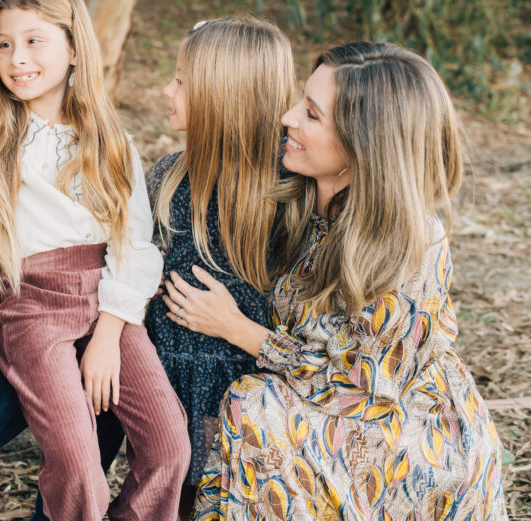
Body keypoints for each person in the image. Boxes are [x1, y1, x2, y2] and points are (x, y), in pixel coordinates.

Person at [162, 43, 508, 520]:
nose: (286, 117)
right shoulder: (301, 195)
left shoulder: (409, 244)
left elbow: (360, 386)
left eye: (311, 114)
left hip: (400, 431)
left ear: (363, 143)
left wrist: (235, 327)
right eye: (299, 102)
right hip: (316, 402)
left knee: (255, 406)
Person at [0, 0, 189, 520]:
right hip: (29, 302)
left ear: (73, 48)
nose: (16, 58)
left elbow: (134, 244)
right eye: (3, 43)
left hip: (107, 301)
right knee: (78, 461)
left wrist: (109, 335)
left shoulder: (110, 141)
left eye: (34, 41)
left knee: (169, 446)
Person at [142, 17, 295, 513]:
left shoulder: (289, 197)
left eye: (182, 81)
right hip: (166, 392)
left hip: (248, 408)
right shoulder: (168, 177)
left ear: (222, 97)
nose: (167, 89)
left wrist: (232, 325)